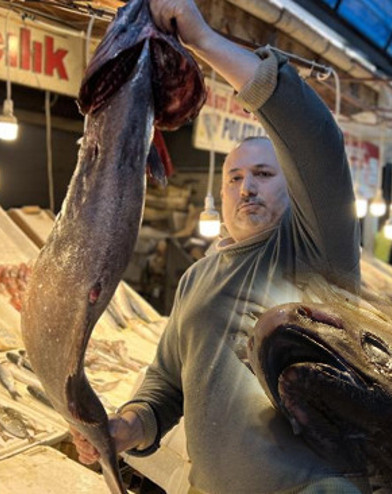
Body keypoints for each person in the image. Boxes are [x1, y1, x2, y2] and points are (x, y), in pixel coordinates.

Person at [71, 0, 367, 492]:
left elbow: (314, 137)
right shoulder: (197, 277)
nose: (246, 187)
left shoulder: (316, 251)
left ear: (293, 186)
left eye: (264, 174)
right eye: (234, 178)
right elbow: (166, 386)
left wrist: (203, 40)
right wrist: (127, 426)